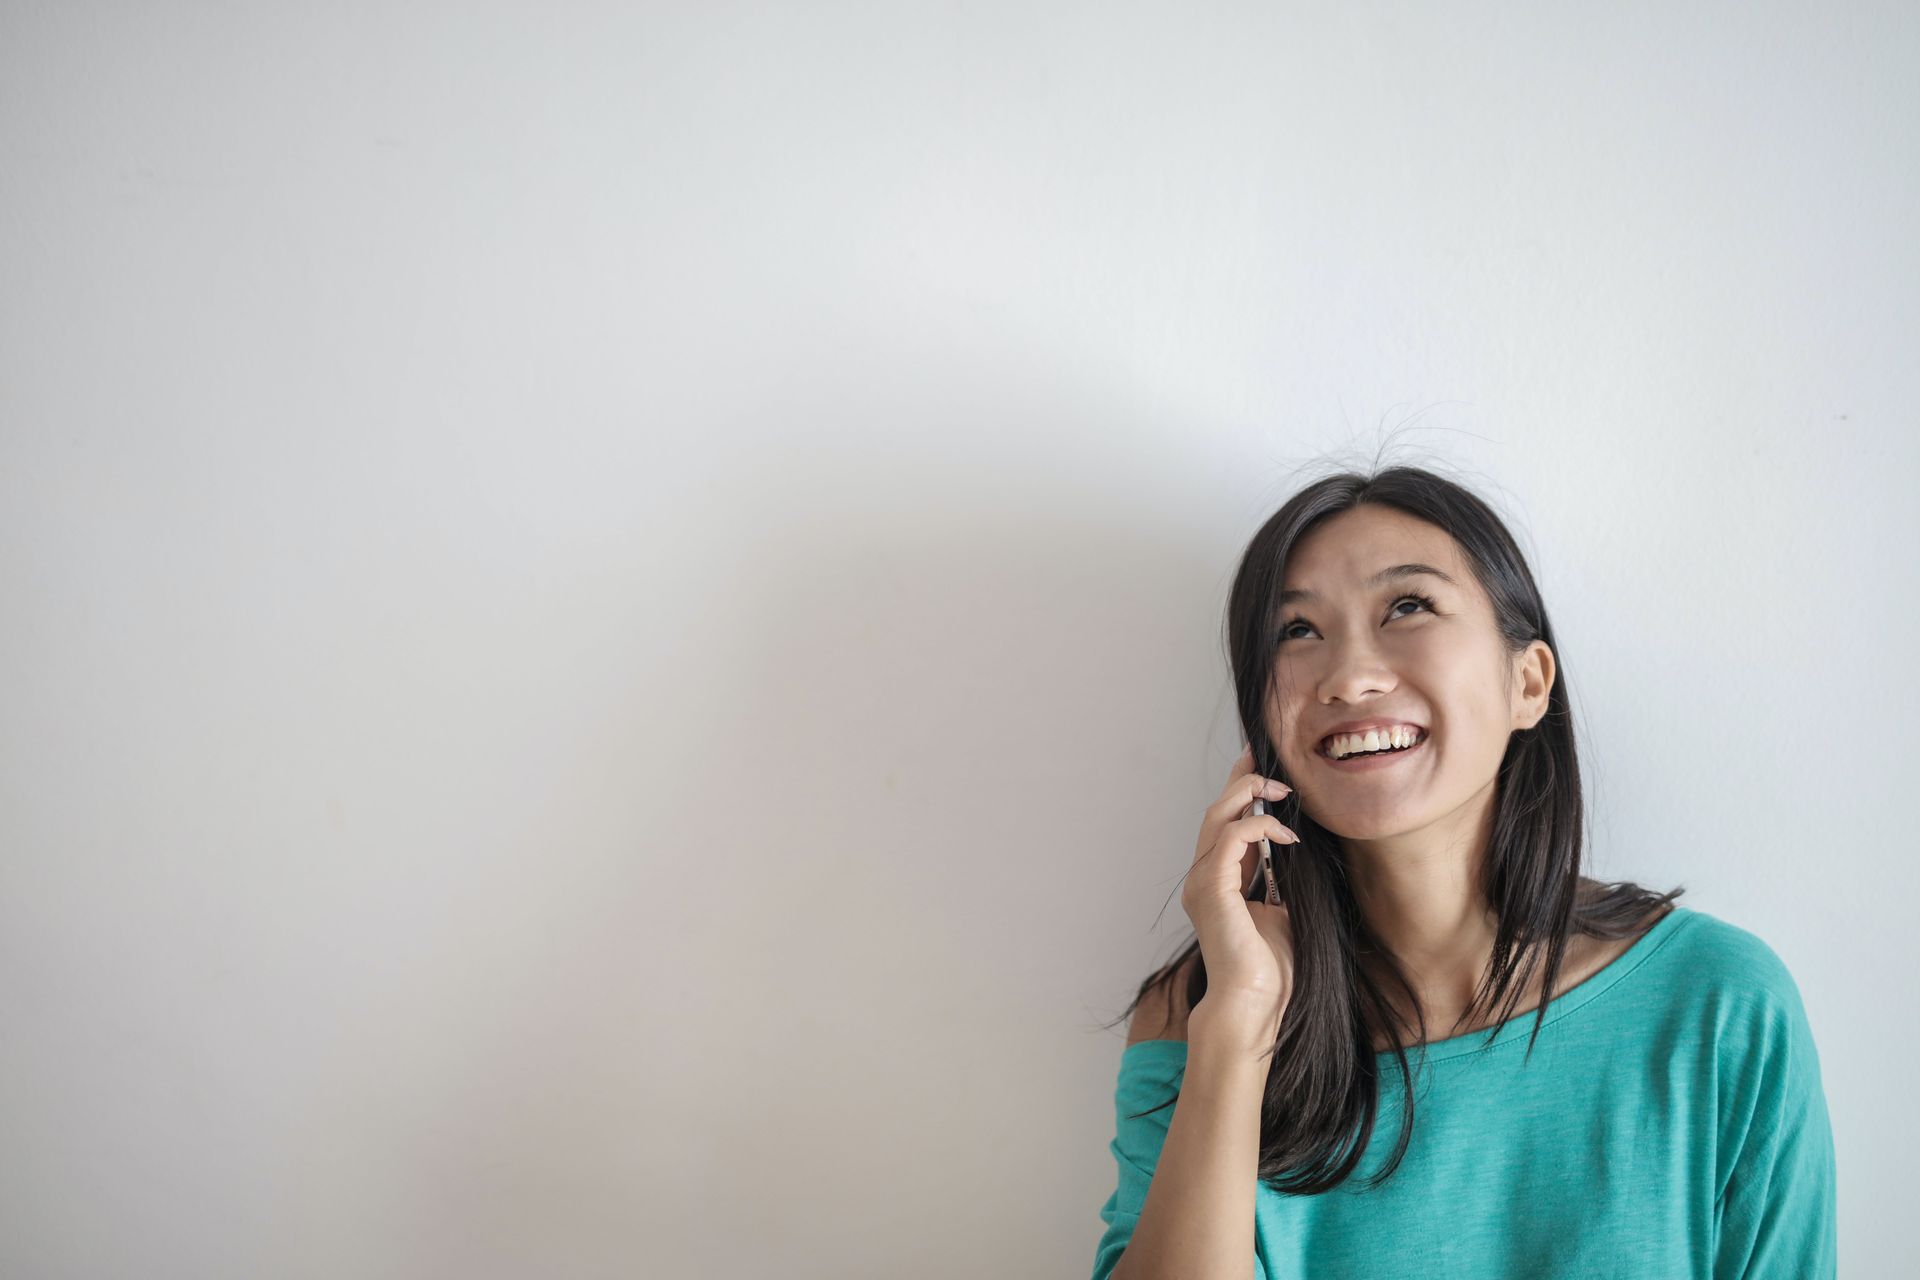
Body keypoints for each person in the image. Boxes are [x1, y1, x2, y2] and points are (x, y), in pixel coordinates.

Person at [1090, 465, 1836, 1279]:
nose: (1350, 677)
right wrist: (1239, 1027)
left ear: (1528, 683)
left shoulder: (1717, 1005)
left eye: (1407, 607)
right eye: (1297, 630)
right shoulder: (1200, 1015)